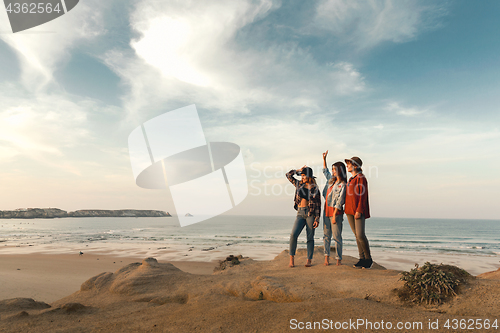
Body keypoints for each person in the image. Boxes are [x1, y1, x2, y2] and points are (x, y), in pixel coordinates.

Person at [286, 166, 321, 268]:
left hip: (310, 214)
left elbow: (318, 205)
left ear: (309, 176)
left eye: (304, 175)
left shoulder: (314, 188)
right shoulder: (299, 184)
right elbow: (288, 175)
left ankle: (309, 260)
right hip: (300, 213)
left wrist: (317, 219)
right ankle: (292, 259)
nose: (302, 177)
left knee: (310, 238)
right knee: (293, 235)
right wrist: (297, 170)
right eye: (301, 175)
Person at [344, 156, 372, 269]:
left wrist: (359, 210)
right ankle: (361, 259)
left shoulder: (361, 178)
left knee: (360, 235)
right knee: (356, 235)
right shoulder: (350, 179)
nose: (347, 166)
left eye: (349, 164)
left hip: (357, 211)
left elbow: (362, 196)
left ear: (355, 165)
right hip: (349, 211)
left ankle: (368, 259)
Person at [321, 151, 347, 266]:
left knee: (337, 237)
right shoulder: (330, 181)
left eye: (334, 169)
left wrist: (335, 215)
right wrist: (324, 159)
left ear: (339, 170)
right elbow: (325, 171)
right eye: (332, 169)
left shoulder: (342, 184)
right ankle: (326, 258)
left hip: (335, 212)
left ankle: (338, 259)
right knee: (326, 236)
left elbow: (340, 201)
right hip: (326, 211)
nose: (332, 171)